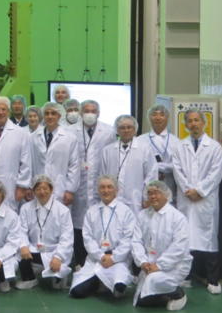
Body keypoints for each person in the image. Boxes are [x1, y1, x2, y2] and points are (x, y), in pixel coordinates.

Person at [172, 108, 222, 294]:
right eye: (190, 121)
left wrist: (200, 190)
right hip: (187, 198)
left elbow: (216, 173)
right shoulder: (179, 146)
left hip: (205, 199)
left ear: (204, 123)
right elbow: (177, 171)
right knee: (184, 238)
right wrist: (189, 190)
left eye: (197, 120)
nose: (193, 124)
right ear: (185, 125)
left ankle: (213, 280)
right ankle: (184, 276)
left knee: (209, 239)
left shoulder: (215, 147)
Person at [69, 175, 135, 299]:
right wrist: (100, 256)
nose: (106, 190)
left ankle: (105, 282)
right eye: (102, 187)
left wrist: (114, 258)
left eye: (109, 187)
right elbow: (87, 238)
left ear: (117, 190)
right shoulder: (91, 211)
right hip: (96, 259)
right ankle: (98, 282)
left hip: (117, 260)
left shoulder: (126, 212)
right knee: (77, 292)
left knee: (119, 286)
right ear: (98, 190)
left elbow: (128, 239)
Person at [132, 180, 192, 311]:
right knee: (142, 302)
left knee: (153, 281)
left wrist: (159, 266)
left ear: (166, 195)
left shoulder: (177, 218)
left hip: (173, 266)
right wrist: (143, 262)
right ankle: (164, 294)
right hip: (149, 264)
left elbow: (178, 247)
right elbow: (136, 241)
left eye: (156, 193)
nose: (152, 196)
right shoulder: (143, 215)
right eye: (149, 193)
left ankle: (178, 294)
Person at [69, 99, 115, 267]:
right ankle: (79, 261)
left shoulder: (108, 131)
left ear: (98, 113)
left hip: (99, 183)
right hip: (78, 182)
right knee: (78, 222)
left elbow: (110, 157)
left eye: (93, 111)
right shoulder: (70, 130)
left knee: (98, 223)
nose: (89, 114)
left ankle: (98, 259)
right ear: (81, 113)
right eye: (86, 110)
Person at [15, 174, 74, 290]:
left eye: (45, 188)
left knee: (57, 284)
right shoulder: (25, 209)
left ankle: (58, 273)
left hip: (54, 250)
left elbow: (67, 238)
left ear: (51, 189)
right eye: (38, 189)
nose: (42, 192)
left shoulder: (63, 211)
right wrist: (23, 246)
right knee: (19, 251)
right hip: (33, 249)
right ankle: (29, 278)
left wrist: (58, 256)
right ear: (33, 191)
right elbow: (21, 231)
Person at [100, 115, 158, 219]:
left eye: (129, 127)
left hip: (136, 199)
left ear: (135, 129)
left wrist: (146, 197)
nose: (126, 130)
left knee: (135, 228)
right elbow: (103, 175)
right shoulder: (108, 150)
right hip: (112, 198)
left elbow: (151, 175)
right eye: (122, 128)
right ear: (117, 130)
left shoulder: (145, 149)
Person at [29, 102, 80, 209]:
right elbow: (28, 164)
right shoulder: (33, 137)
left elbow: (74, 165)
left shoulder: (70, 138)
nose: (50, 116)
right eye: (47, 113)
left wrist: (70, 190)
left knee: (58, 219)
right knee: (38, 219)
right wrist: (28, 186)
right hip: (38, 187)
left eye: (53, 113)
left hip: (60, 189)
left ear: (59, 116)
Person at [139, 105, 181, 205]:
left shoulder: (176, 142)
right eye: (154, 115)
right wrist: (152, 172)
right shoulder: (140, 140)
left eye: (161, 115)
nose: (158, 118)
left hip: (169, 183)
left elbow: (179, 165)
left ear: (167, 119)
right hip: (146, 186)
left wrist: (159, 168)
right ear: (149, 118)